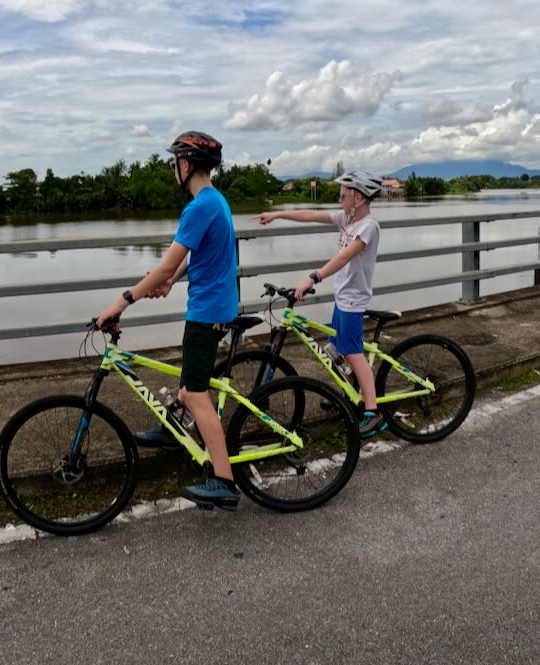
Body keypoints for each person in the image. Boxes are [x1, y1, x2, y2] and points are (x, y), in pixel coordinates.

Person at [95, 131, 241, 511]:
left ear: (186, 164)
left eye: (174, 162)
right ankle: (173, 432)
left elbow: (166, 264)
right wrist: (171, 279)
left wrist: (123, 300)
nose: (172, 168)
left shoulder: (198, 207)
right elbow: (196, 256)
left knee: (194, 394)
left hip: (206, 312)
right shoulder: (215, 200)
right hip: (217, 305)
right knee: (187, 385)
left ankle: (223, 480)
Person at [253, 169, 387, 437]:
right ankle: (351, 396)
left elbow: (344, 258)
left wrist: (313, 278)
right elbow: (311, 215)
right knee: (336, 348)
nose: (340, 201)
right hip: (343, 296)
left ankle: (373, 413)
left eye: (343, 196)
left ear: (358, 197)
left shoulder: (368, 226)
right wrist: (278, 215)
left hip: (354, 300)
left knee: (353, 352)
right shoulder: (346, 220)